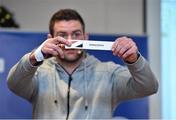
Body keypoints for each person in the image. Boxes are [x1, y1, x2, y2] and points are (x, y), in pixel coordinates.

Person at [7, 8, 158, 119]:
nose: (71, 41)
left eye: (76, 34)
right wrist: (36, 56)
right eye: (62, 35)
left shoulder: (108, 73)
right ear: (50, 38)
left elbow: (149, 87)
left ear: (86, 37)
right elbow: (14, 84)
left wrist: (134, 59)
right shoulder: (39, 73)